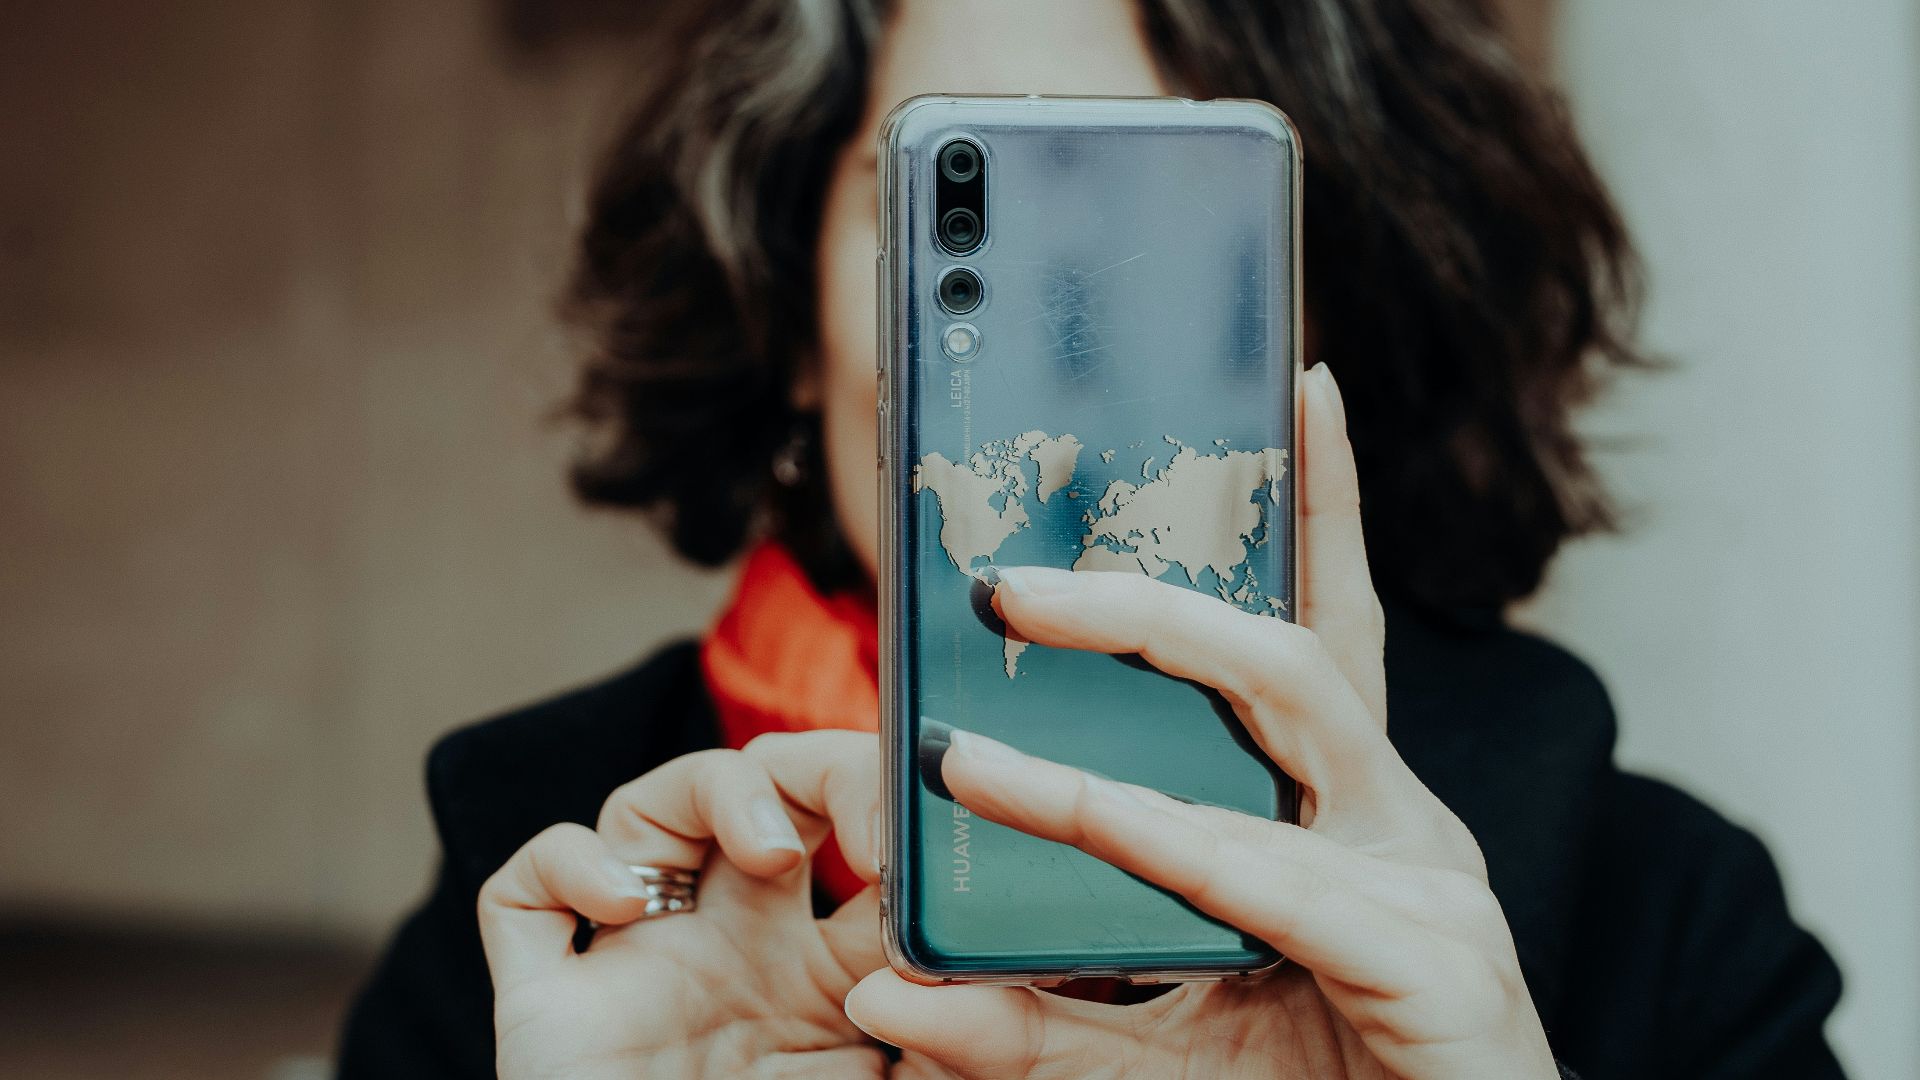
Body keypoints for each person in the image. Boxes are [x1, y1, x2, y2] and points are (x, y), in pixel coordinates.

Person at [338, 1, 1846, 1077]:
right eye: (965, 226)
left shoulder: (1667, 915)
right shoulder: (550, 880)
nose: (1072, 346)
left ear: (1329, 328)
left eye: (1170, 237)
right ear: (790, 315)